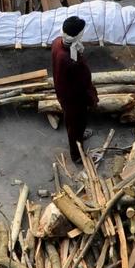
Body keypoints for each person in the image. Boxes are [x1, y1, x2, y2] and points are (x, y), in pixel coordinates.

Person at [51, 16, 99, 164]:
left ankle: (79, 134)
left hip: (63, 91)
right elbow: (82, 85)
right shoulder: (71, 61)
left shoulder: (57, 43)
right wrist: (92, 98)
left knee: (70, 120)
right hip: (74, 98)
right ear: (77, 35)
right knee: (76, 124)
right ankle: (76, 155)